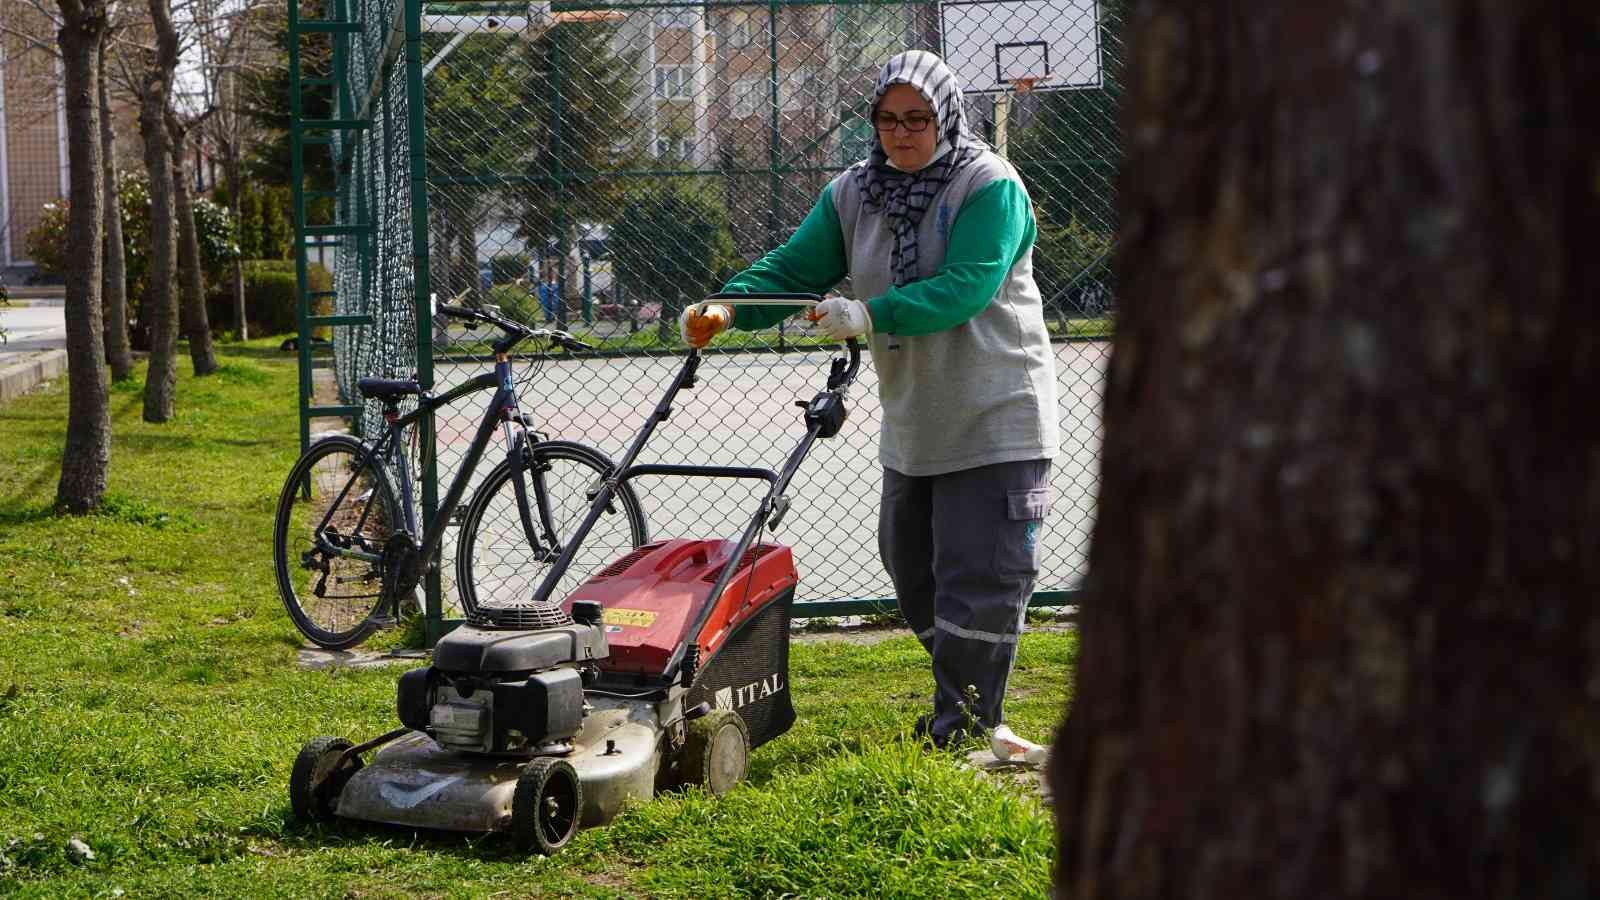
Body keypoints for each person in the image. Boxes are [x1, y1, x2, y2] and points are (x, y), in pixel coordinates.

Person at [680, 50, 1058, 748]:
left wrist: (868, 314)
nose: (901, 132)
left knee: (980, 580)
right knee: (913, 574)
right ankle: (963, 708)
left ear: (946, 116)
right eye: (887, 119)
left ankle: (968, 726)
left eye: (917, 118)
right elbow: (794, 268)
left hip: (997, 413)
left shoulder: (988, 184)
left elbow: (968, 287)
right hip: (917, 422)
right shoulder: (855, 193)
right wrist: (727, 309)